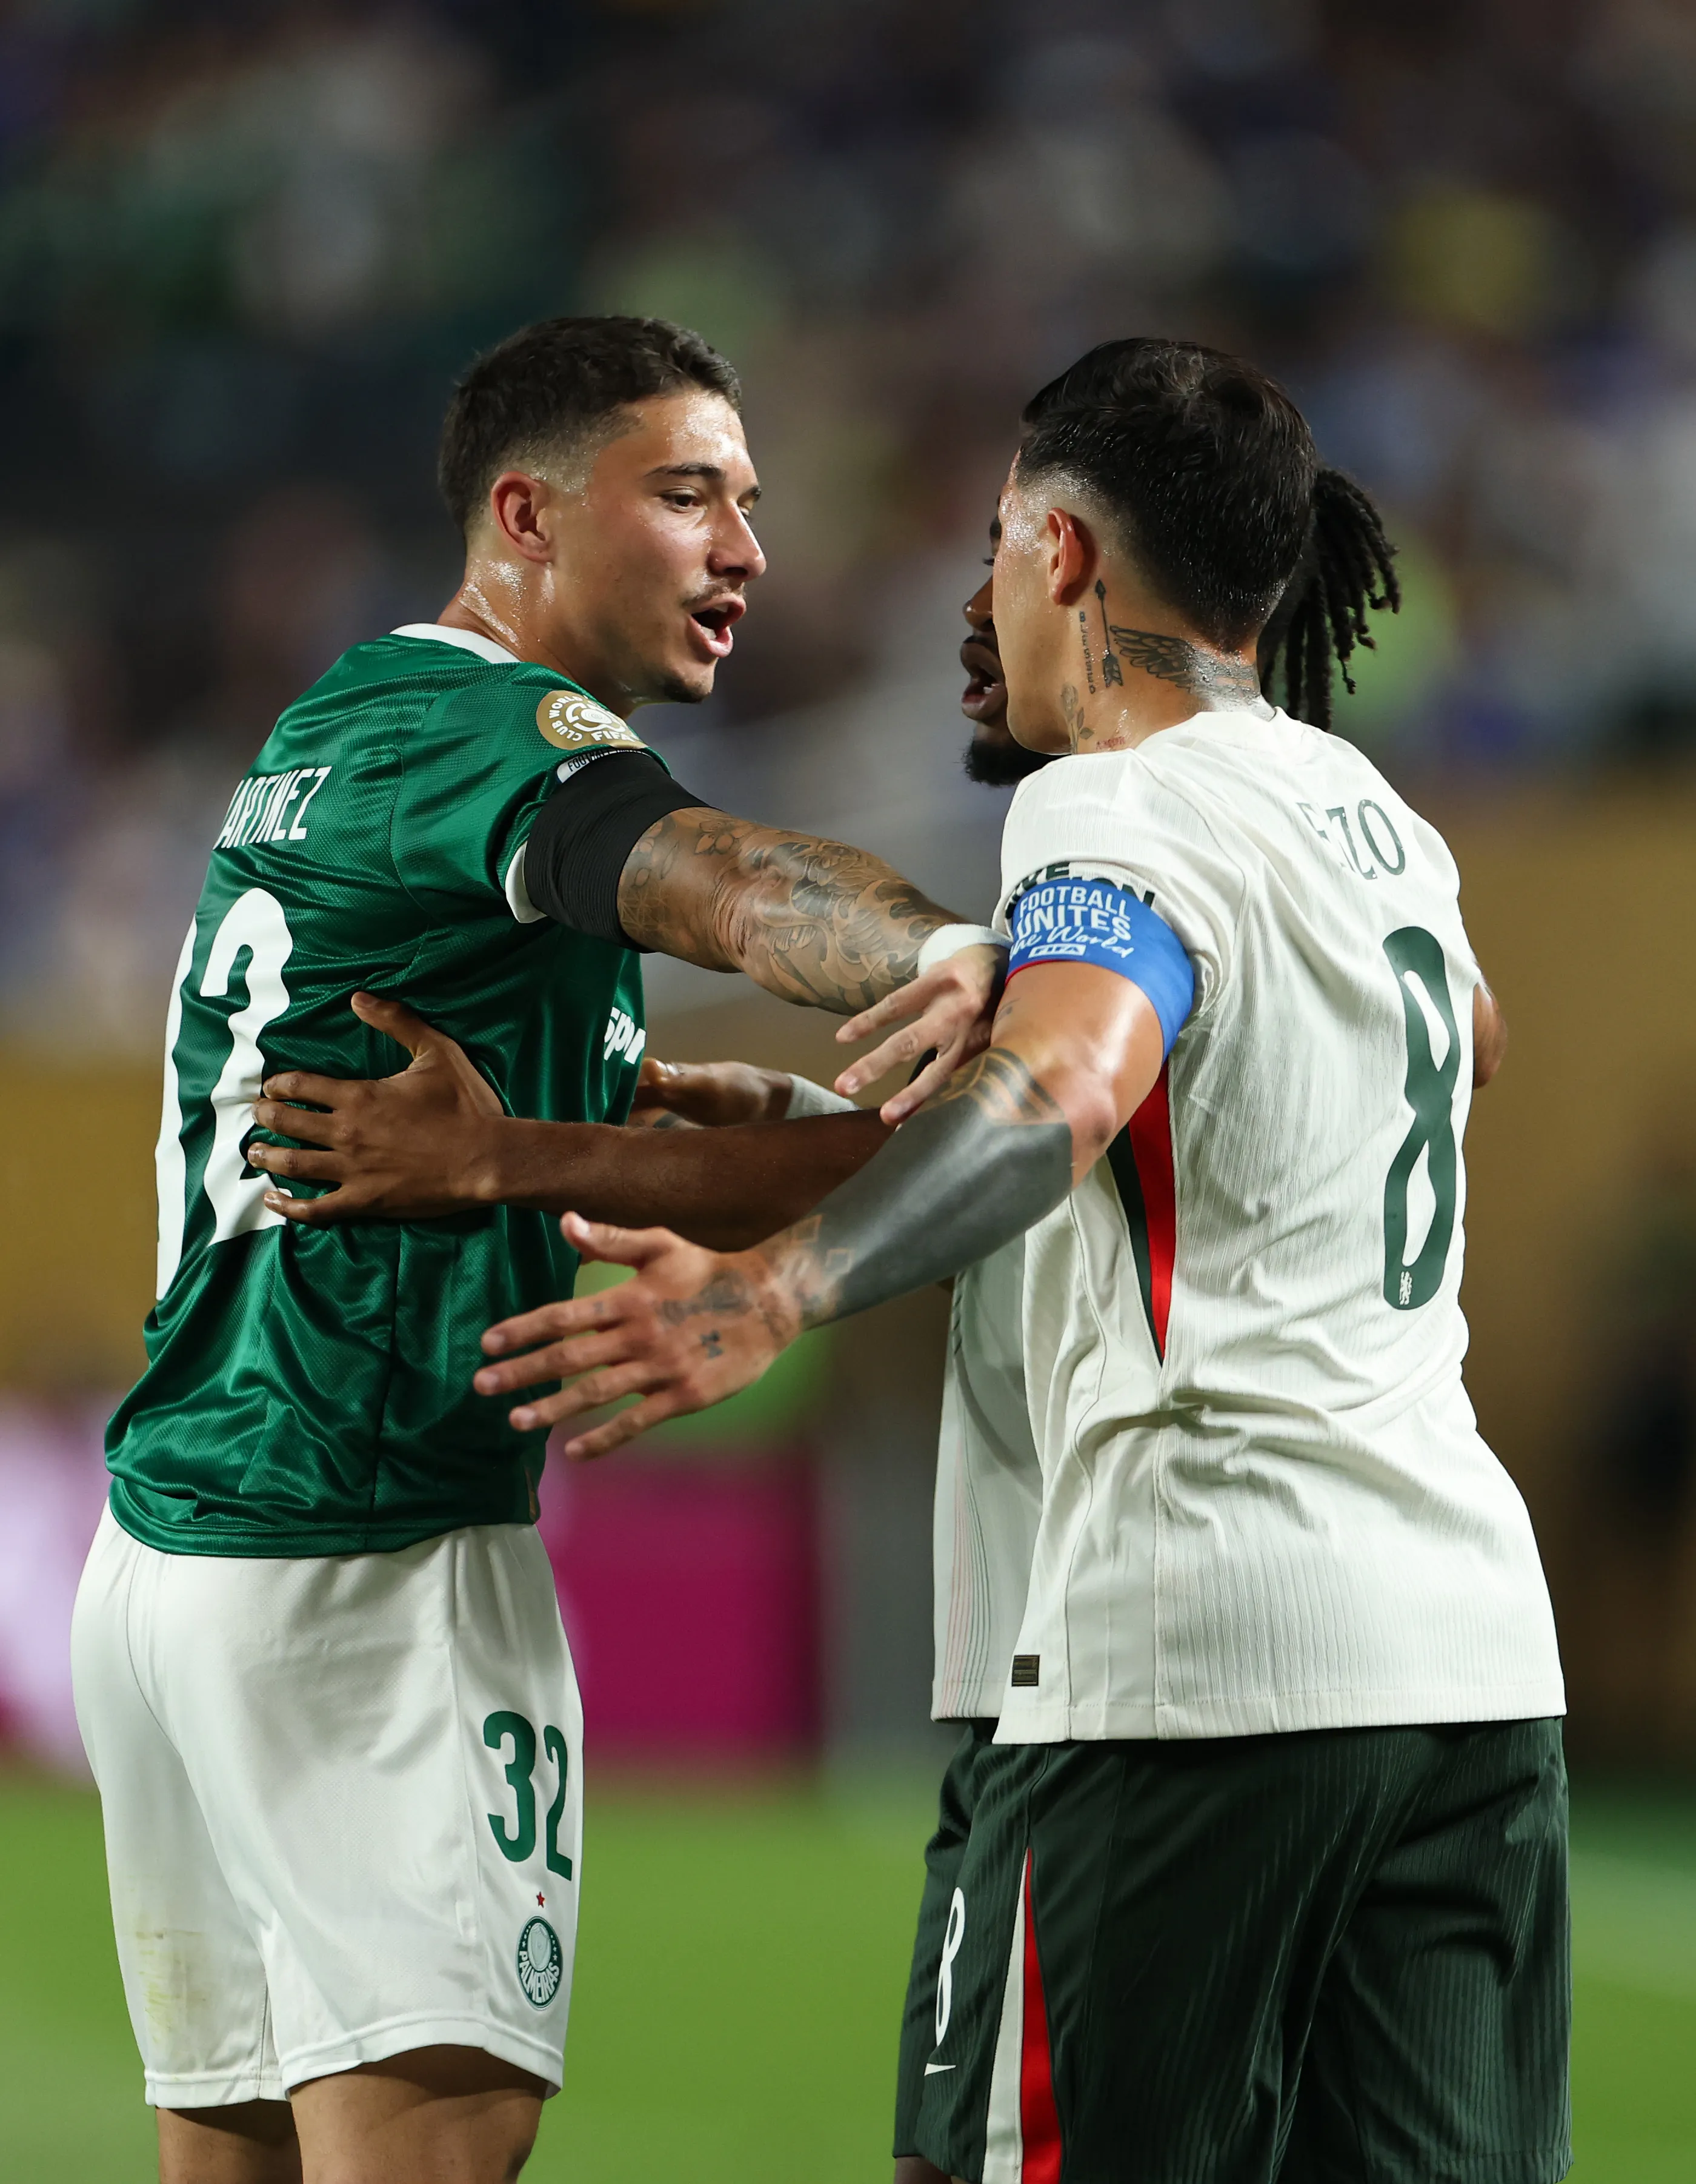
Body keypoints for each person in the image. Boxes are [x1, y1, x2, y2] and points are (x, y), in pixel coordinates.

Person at [476, 337, 1566, 2184]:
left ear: (1062, 553)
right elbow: (1410, 1053)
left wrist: (776, 1286)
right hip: (1465, 1662)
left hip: (1192, 1649)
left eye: (993, 543)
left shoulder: (1110, 804)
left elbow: (1072, 1079)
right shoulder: (1385, 830)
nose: (978, 585)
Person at [70, 313, 1007, 2184]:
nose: (744, 543)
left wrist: (653, 1156)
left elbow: (606, 1158)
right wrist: (944, 955)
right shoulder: (486, 731)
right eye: (684, 495)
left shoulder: (337, 729)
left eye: (749, 499)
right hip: (366, 1554)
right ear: (524, 512)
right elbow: (739, 885)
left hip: (177, 1557)